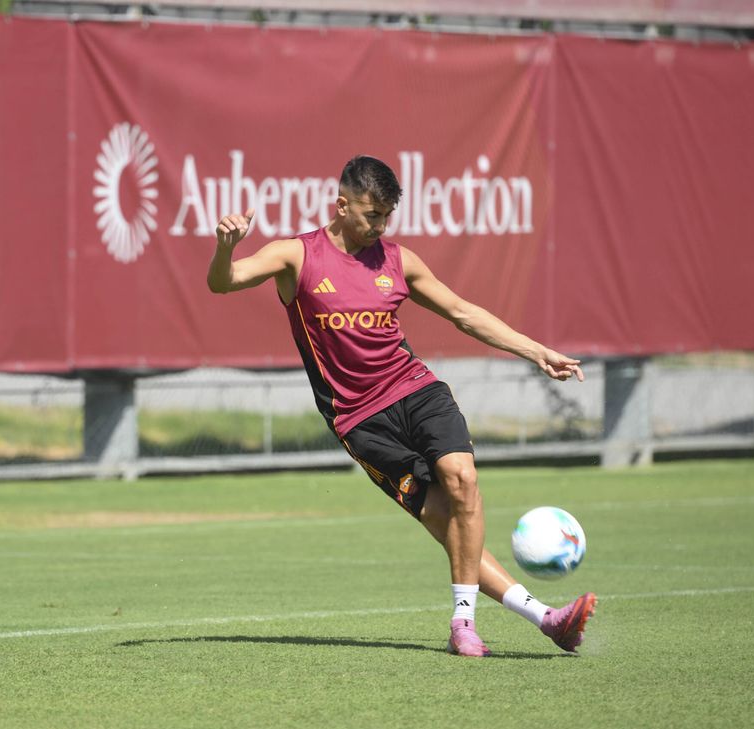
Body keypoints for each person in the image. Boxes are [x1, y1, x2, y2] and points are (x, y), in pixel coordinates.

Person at [207, 155, 596, 657]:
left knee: (463, 479)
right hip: (360, 420)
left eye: (387, 217)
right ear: (342, 205)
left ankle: (464, 623)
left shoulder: (397, 260)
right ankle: (547, 619)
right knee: (441, 517)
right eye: (373, 215)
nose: (380, 227)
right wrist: (224, 248)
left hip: (416, 389)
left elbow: (462, 312)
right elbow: (225, 281)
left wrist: (537, 351)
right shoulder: (296, 256)